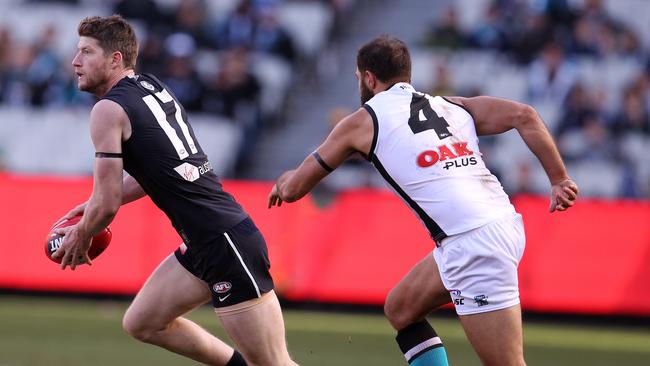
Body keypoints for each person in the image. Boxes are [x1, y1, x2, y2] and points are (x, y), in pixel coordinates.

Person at [268, 35, 578, 366]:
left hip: (473, 243)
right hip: (498, 223)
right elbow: (524, 115)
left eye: (360, 78)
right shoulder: (448, 105)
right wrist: (559, 179)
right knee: (401, 309)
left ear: (369, 78)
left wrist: (284, 180)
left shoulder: (363, 121)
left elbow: (294, 190)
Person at [51, 15, 298, 366]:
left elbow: (106, 206)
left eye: (87, 52)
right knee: (143, 322)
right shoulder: (149, 86)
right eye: (77, 52)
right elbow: (159, 173)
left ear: (115, 59)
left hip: (223, 243)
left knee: (273, 364)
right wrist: (93, 206)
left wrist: (81, 233)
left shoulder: (107, 110)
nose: (75, 61)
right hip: (207, 239)